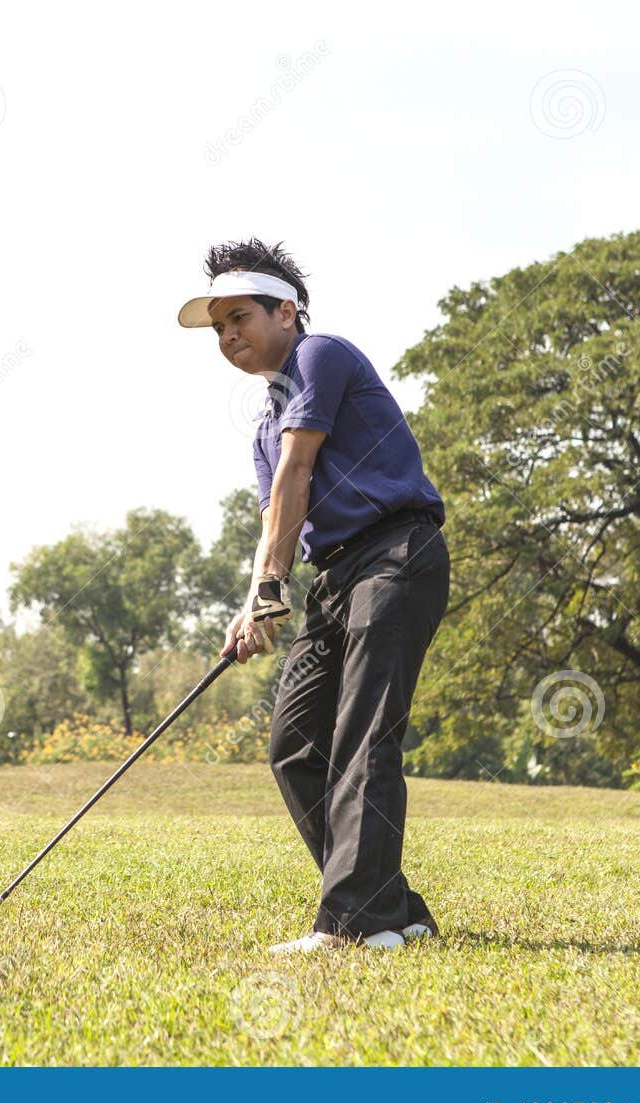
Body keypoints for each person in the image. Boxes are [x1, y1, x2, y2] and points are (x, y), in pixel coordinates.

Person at [178, 238, 452, 954]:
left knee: (365, 732)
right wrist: (254, 603)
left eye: (239, 317)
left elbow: (300, 473)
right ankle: (395, 907)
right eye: (219, 328)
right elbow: (279, 513)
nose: (228, 335)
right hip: (333, 576)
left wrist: (270, 586)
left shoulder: (321, 355)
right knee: (295, 742)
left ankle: (352, 923)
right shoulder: (264, 426)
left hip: (396, 553)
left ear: (286, 311)